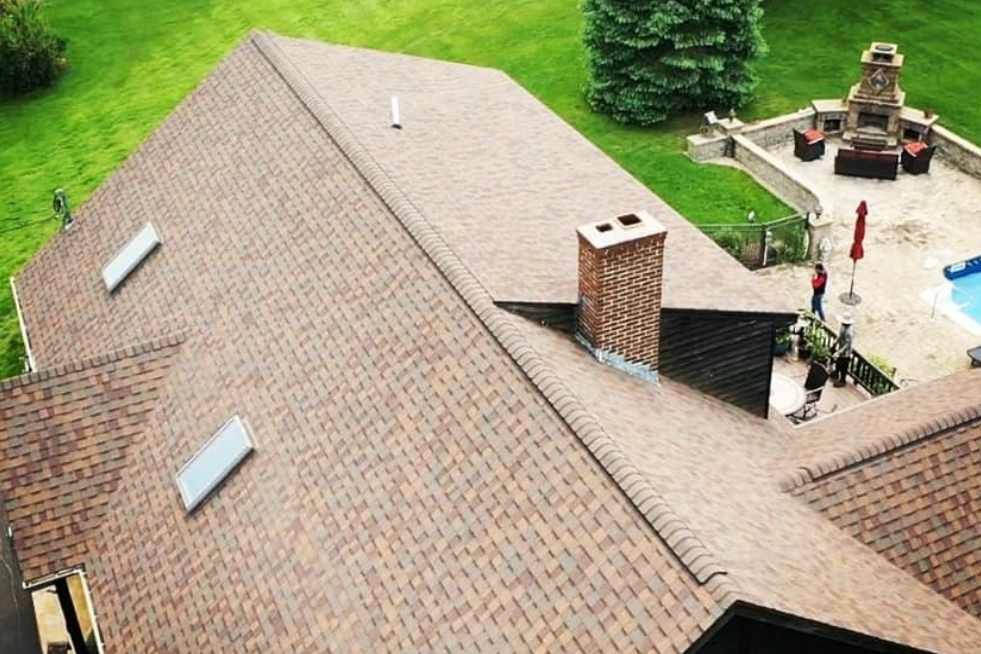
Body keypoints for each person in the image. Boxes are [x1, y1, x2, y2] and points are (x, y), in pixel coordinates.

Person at [832, 314, 855, 387]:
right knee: (838, 364)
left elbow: (847, 345)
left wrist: (839, 352)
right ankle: (836, 375)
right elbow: (840, 335)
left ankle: (842, 381)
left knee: (843, 367)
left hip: (846, 353)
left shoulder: (849, 332)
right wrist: (835, 341)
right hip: (841, 348)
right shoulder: (842, 327)